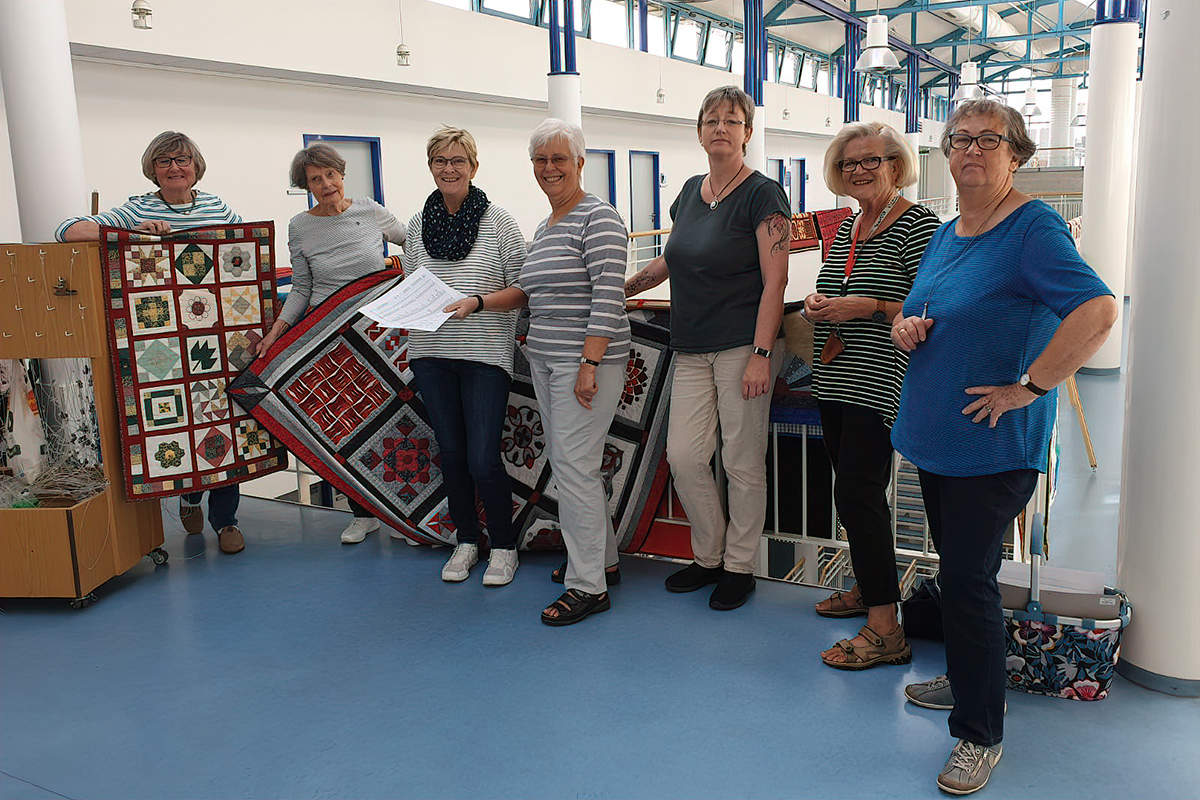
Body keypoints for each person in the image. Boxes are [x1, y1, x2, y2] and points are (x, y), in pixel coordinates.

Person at [890, 98, 1117, 795]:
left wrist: (1030, 386)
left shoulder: (1032, 229)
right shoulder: (949, 230)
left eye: (989, 140)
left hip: (991, 447)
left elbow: (1097, 310)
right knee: (962, 575)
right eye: (960, 139)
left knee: (967, 582)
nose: (971, 150)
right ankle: (969, 680)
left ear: (1016, 156)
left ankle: (979, 732)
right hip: (939, 438)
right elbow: (920, 307)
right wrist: (905, 326)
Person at [624, 86, 789, 611]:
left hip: (742, 346)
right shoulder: (690, 192)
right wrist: (625, 288)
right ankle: (708, 555)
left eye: (732, 120)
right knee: (685, 456)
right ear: (699, 133)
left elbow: (776, 281)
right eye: (711, 119)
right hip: (691, 345)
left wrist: (762, 354)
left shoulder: (764, 194)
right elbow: (673, 257)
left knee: (741, 461)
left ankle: (739, 567)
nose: (721, 127)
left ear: (747, 133)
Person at [460, 118, 629, 625]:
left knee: (574, 468)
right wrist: (478, 302)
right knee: (572, 465)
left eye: (558, 158)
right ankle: (602, 561)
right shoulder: (547, 225)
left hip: (585, 364)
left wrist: (589, 364)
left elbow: (608, 296)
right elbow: (527, 292)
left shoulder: (598, 217)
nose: (549, 168)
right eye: (540, 160)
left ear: (579, 162)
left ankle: (588, 586)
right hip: (547, 361)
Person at [56, 130, 247, 555]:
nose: (175, 168)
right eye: (165, 162)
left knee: (222, 419)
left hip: (215, 337)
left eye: (182, 160)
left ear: (195, 165)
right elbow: (66, 230)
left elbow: (243, 250)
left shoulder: (217, 207)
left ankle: (226, 520)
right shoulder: (139, 208)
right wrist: (134, 233)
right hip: (161, 342)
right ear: (153, 169)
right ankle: (190, 496)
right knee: (177, 420)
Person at [804, 122, 941, 669]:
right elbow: (837, 286)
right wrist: (819, 304)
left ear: (896, 165)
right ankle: (869, 586)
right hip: (836, 375)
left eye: (871, 160)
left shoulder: (917, 224)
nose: (858, 170)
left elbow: (926, 306)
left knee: (859, 491)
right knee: (854, 493)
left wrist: (868, 307)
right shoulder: (850, 226)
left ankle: (886, 629)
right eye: (849, 163)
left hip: (880, 379)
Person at [256, 142, 406, 545]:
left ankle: (403, 516)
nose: (325, 184)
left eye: (330, 175)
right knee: (344, 424)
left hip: (379, 335)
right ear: (306, 186)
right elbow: (302, 288)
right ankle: (362, 514)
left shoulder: (370, 211)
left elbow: (414, 244)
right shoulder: (300, 227)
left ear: (342, 174)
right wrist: (275, 333)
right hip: (331, 339)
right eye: (315, 179)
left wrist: (410, 286)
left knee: (395, 418)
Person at [402, 127, 527, 586]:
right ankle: (467, 541)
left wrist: (477, 302)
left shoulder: (499, 223)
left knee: (482, 457)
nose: (449, 168)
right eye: (440, 160)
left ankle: (505, 547)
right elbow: (413, 285)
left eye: (458, 160)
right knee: (451, 453)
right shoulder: (417, 224)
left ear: (474, 167)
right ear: (430, 167)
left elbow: (522, 290)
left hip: (484, 355)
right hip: (430, 353)